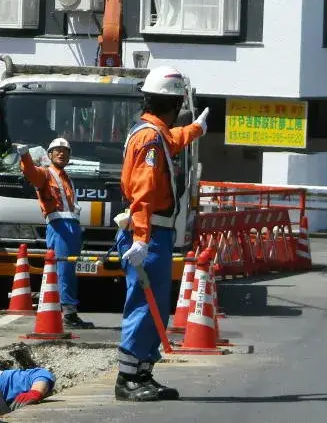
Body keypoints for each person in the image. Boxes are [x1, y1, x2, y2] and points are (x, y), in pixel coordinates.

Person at [114, 65, 209, 402]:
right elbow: (143, 191)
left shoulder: (155, 133)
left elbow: (175, 139)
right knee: (144, 304)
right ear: (173, 104)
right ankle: (127, 379)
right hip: (150, 232)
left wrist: (195, 129)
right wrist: (140, 238)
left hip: (154, 232)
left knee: (157, 306)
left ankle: (142, 372)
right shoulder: (151, 138)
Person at [15, 138, 94, 329]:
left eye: (65, 151)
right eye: (57, 151)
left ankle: (63, 310)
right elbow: (30, 173)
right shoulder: (45, 173)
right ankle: (68, 312)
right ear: (49, 155)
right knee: (64, 270)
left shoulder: (65, 177)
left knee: (67, 269)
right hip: (60, 226)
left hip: (70, 227)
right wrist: (25, 155)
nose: (62, 153)